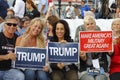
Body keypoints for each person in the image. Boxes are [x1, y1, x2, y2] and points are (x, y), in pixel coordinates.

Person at [75, 16, 109, 80]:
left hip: (100, 69)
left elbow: (109, 53)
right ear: (85, 26)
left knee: (99, 79)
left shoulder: (103, 37)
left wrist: (110, 48)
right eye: (87, 24)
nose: (90, 26)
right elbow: (80, 60)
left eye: (92, 23)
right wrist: (83, 57)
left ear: (95, 24)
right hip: (86, 70)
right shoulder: (81, 39)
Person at [0, 15, 24, 80]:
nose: (12, 27)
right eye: (9, 24)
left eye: (14, 25)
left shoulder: (18, 38)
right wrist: (6, 56)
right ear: (4, 25)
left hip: (10, 70)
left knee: (20, 77)